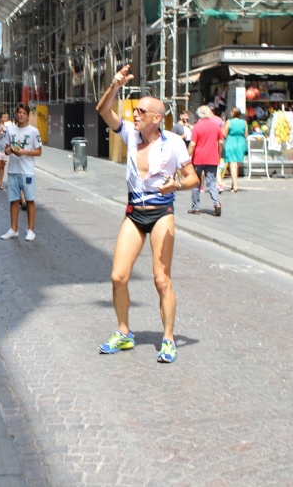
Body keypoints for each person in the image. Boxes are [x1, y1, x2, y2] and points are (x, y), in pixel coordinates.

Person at [95, 64, 199, 363]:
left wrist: (177, 185)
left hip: (161, 212)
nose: (135, 114)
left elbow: (193, 179)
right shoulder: (129, 134)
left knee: (161, 279)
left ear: (157, 118)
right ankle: (124, 333)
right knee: (118, 276)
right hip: (134, 212)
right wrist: (114, 85)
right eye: (135, 110)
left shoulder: (175, 144)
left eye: (141, 111)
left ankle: (168, 339)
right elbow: (104, 110)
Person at [0, 104, 42, 242]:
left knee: (29, 200)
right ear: (16, 115)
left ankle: (31, 230)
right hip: (13, 170)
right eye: (19, 112)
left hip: (27, 171)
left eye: (24, 113)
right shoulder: (10, 130)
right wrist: (8, 151)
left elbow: (39, 151)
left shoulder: (33, 131)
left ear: (28, 115)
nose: (21, 115)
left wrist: (23, 152)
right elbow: (6, 148)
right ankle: (13, 229)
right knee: (13, 200)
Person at [188, 105, 223, 216]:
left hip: (198, 158)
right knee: (212, 182)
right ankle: (216, 202)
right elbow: (221, 142)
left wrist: (187, 155)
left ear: (198, 114)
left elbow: (193, 144)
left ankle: (195, 207)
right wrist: (219, 153)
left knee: (196, 182)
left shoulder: (196, 127)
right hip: (212, 157)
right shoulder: (216, 126)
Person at [222, 107, 249, 193]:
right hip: (241, 142)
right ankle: (233, 183)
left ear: (233, 113)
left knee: (232, 164)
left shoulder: (229, 122)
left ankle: (235, 186)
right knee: (237, 164)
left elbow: (225, 135)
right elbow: (246, 134)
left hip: (231, 142)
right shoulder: (244, 122)